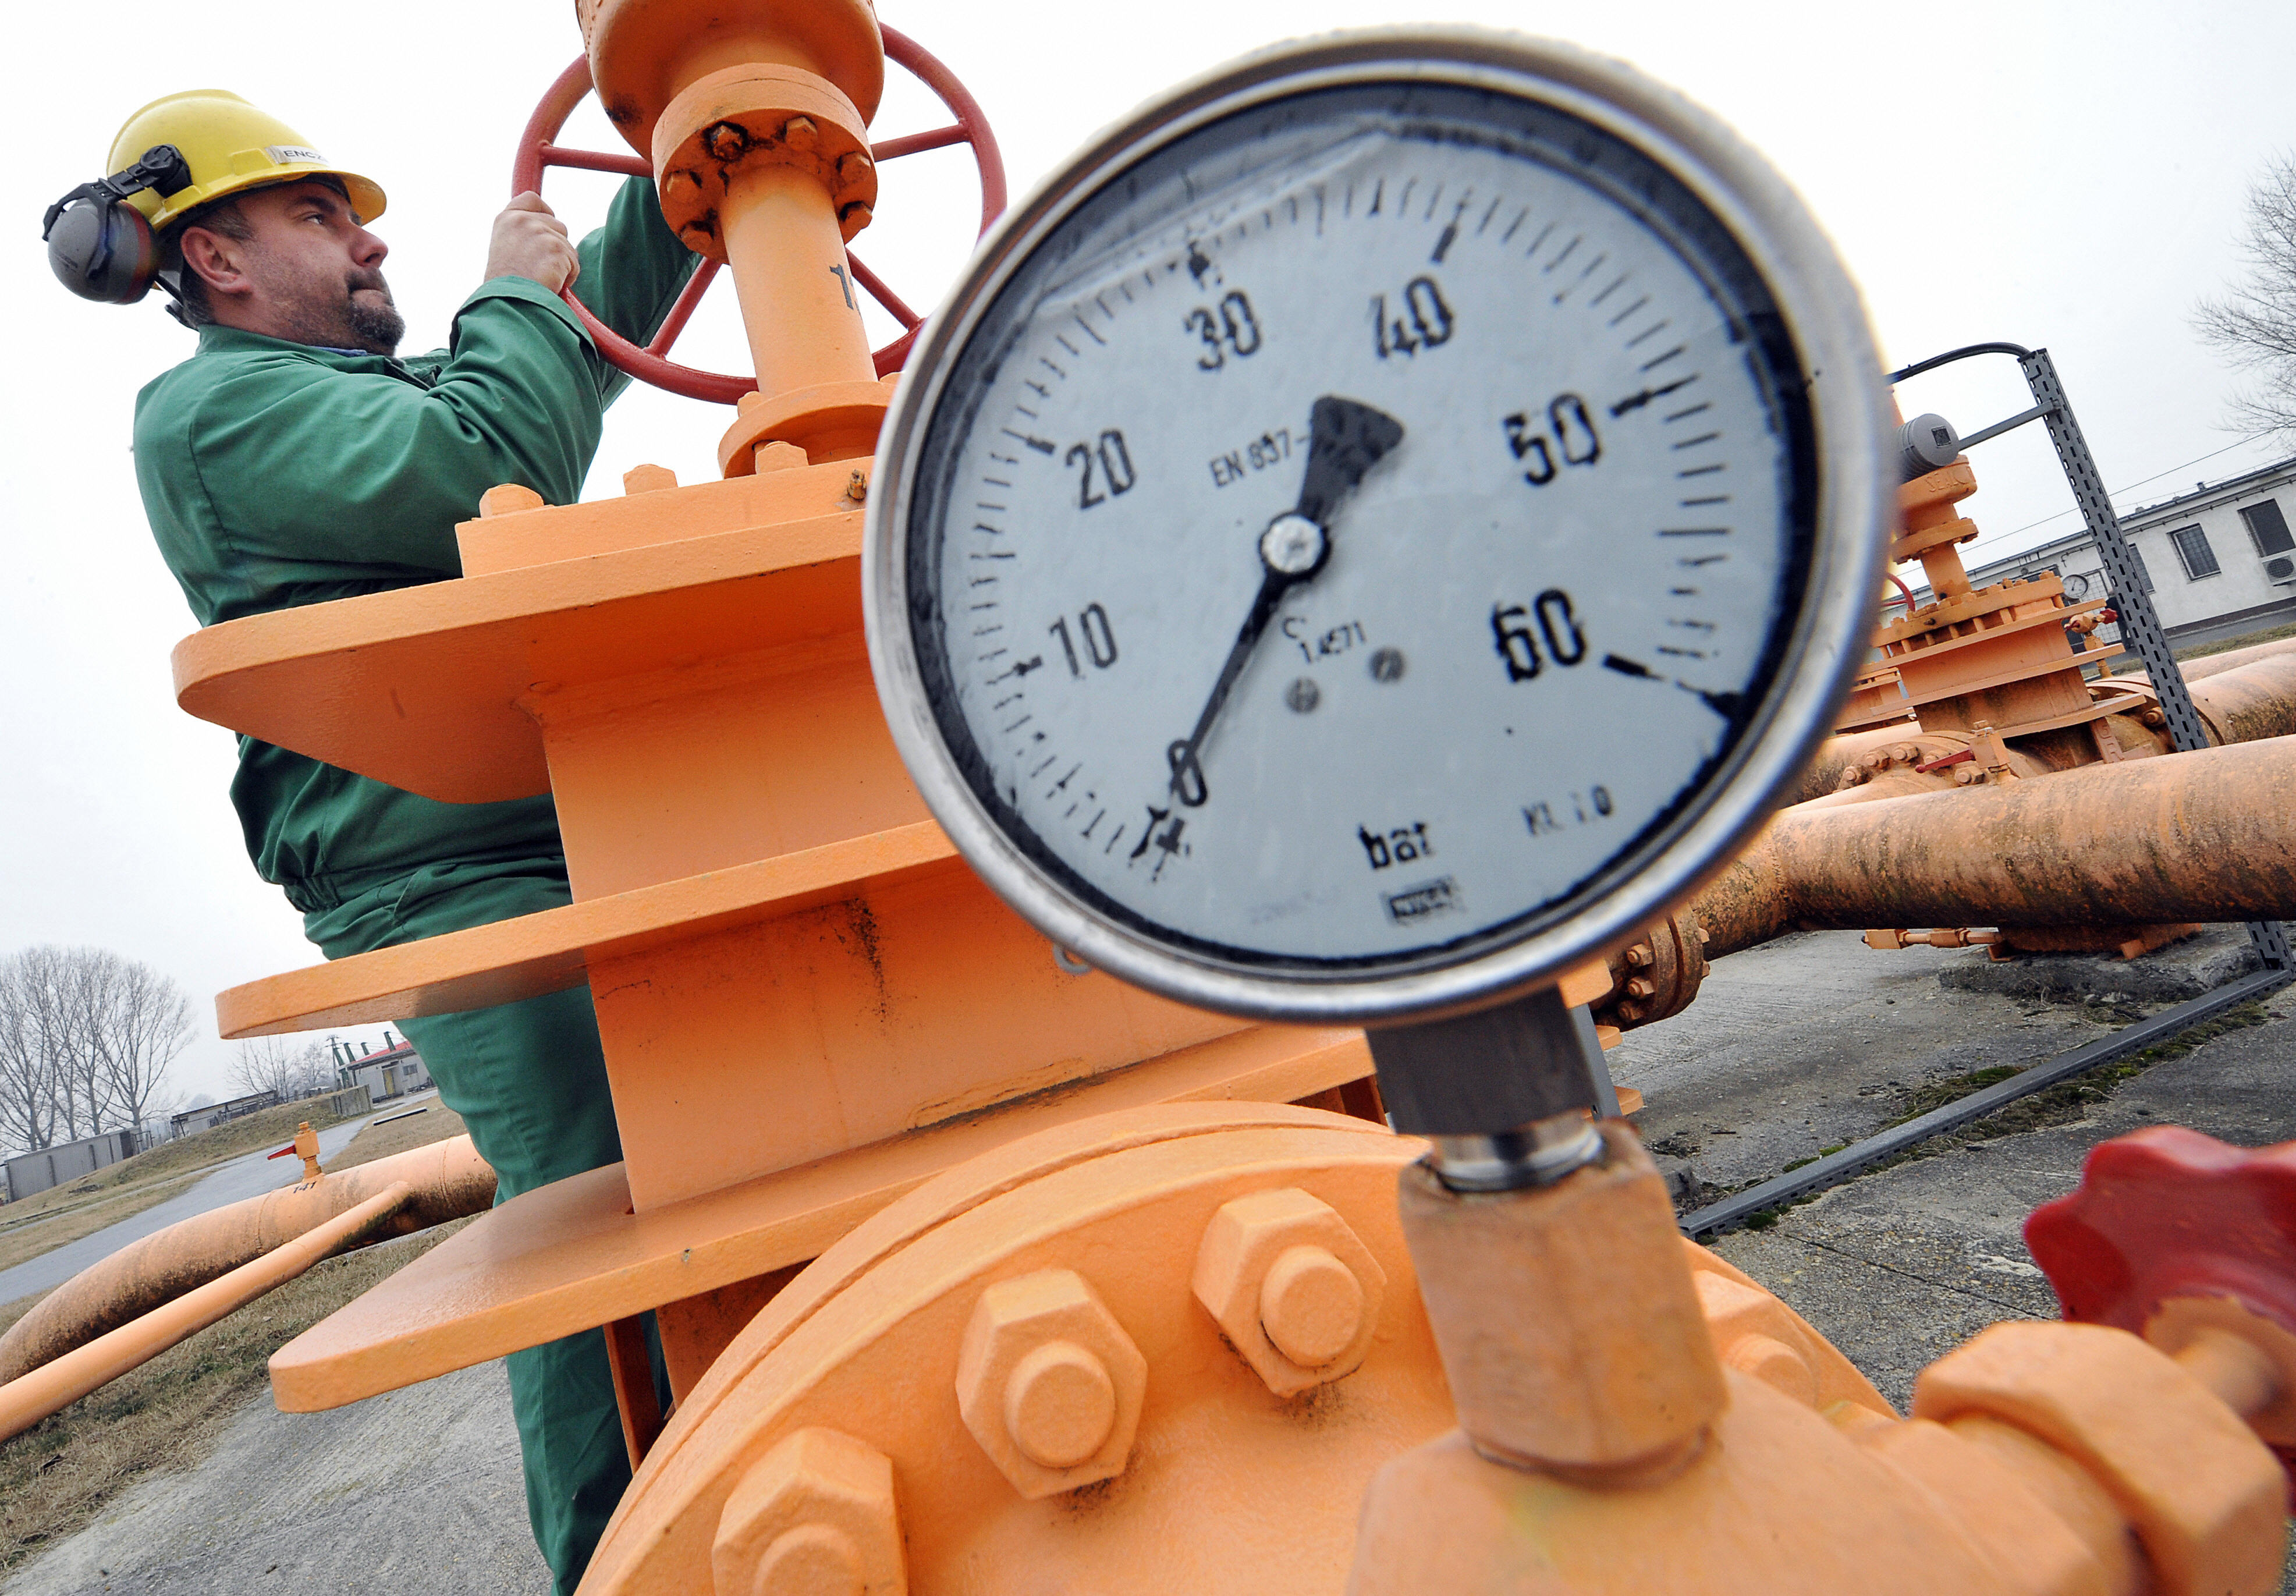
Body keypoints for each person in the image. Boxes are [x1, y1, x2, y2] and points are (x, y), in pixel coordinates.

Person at [89, 90, 697, 1592]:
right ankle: (620, 1563)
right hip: (436, 878)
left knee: (730, 1136)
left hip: (584, 825)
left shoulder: (363, 393)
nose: (368, 240)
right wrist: (512, 292)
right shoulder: (212, 414)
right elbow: (487, 461)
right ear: (217, 257)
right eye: (318, 215)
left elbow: (575, 338)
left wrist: (701, 138)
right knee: (590, 1180)